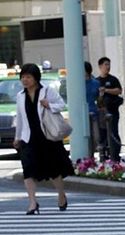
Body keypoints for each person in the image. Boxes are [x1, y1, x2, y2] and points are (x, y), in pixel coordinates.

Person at [12, 63, 73, 214]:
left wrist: (49, 105)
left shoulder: (47, 91)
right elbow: (20, 118)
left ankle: (61, 194)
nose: (25, 80)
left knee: (53, 169)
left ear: (35, 78)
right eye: (23, 77)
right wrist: (17, 137)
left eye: (28, 77)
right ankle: (32, 202)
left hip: (46, 136)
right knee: (28, 169)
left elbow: (61, 105)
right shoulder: (20, 96)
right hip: (28, 137)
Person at [96, 57, 124, 161]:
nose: (108, 67)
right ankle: (104, 155)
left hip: (113, 111)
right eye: (106, 64)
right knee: (102, 134)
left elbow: (118, 90)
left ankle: (116, 155)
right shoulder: (97, 81)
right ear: (100, 66)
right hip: (101, 112)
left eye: (109, 64)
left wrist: (106, 90)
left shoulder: (113, 79)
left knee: (114, 132)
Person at [84, 61, 103, 158]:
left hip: (93, 112)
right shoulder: (77, 84)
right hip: (82, 114)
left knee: (96, 137)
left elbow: (99, 100)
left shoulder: (96, 83)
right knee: (85, 138)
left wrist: (101, 95)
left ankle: (98, 155)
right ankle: (89, 157)